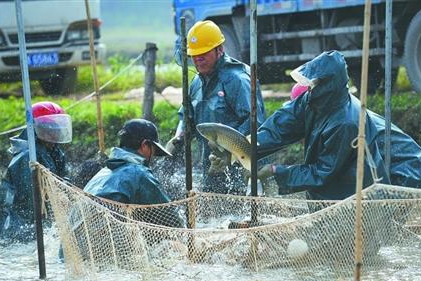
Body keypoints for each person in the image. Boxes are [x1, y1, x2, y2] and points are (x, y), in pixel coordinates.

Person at [254, 50, 391, 200]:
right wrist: (248, 146)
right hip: (328, 195)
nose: (309, 89)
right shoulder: (312, 100)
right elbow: (283, 124)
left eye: (313, 85)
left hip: (355, 199)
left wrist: (276, 171)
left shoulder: (347, 123)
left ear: (327, 86)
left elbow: (322, 172)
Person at [165, 20, 266, 194]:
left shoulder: (237, 80)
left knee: (243, 213)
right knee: (212, 213)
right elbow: (187, 116)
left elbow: (255, 122)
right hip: (210, 166)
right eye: (194, 55)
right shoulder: (197, 82)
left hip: (240, 167)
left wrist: (229, 152)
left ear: (219, 50)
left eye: (204, 53)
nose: (198, 59)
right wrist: (178, 138)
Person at [290, 83, 421, 188]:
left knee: (379, 224)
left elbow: (331, 171)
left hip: (407, 168)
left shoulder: (343, 123)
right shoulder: (340, 112)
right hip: (406, 165)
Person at [0, 101, 72, 243]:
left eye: (55, 128)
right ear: (35, 129)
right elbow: (29, 202)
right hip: (16, 230)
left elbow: (63, 180)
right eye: (48, 129)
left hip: (39, 223)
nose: (53, 133)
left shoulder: (55, 152)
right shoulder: (26, 158)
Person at [84, 119, 185, 228]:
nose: (152, 157)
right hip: (102, 240)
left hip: (74, 240)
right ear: (145, 145)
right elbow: (171, 219)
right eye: (153, 150)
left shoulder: (103, 172)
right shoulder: (139, 173)